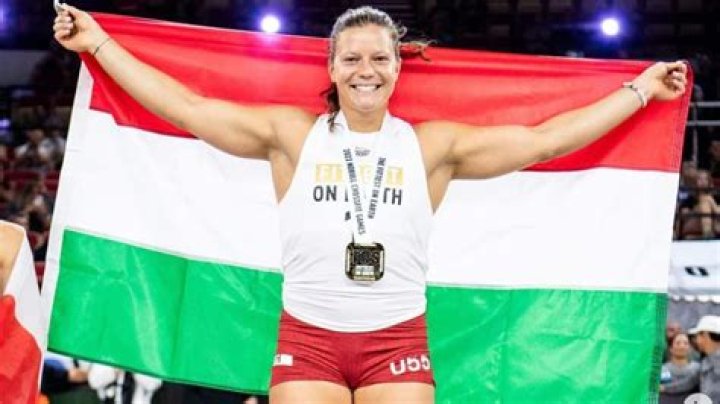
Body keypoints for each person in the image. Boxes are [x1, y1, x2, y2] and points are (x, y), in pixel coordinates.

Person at [52, 5, 688, 403]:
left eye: (380, 58)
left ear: (397, 68)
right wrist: (98, 44)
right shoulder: (291, 136)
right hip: (308, 338)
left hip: (397, 340)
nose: (367, 69)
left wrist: (639, 90)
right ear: (331, 68)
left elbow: (544, 141)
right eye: (352, 58)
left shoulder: (432, 147)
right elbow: (188, 109)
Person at [659, 333, 700, 403]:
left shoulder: (698, 368)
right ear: (671, 348)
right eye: (678, 343)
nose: (682, 346)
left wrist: (664, 388)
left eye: (686, 343)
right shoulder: (662, 370)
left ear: (690, 348)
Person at [688, 315, 720, 403]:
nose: (696, 340)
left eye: (697, 336)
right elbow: (689, 382)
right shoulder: (706, 361)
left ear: (705, 335)